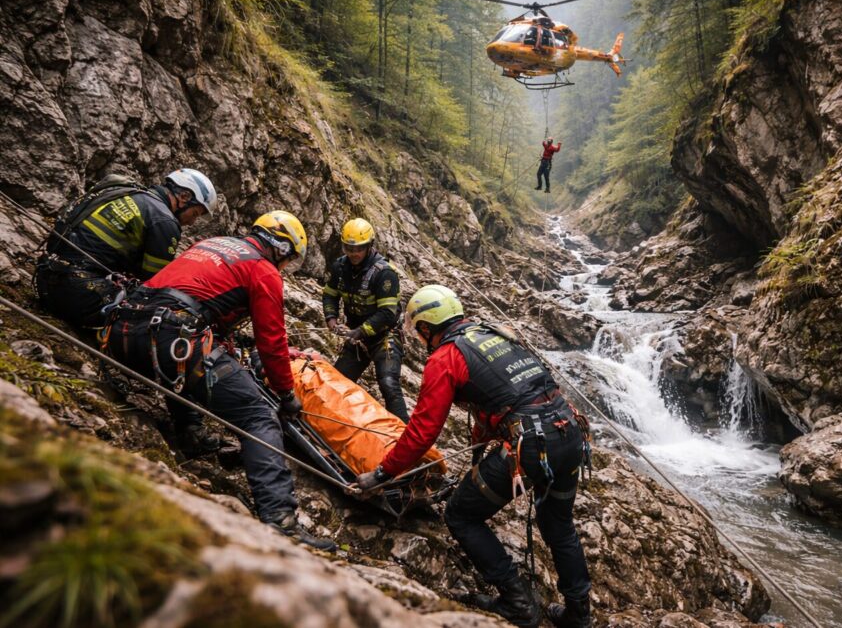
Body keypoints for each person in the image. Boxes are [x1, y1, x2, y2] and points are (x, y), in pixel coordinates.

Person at [356, 285, 591, 628]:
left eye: (419, 333)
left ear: (425, 328)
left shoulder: (446, 358)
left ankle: (517, 601)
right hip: (569, 432)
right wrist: (480, 458)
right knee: (558, 523)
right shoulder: (495, 333)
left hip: (530, 444)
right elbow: (500, 402)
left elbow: (423, 431)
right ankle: (578, 615)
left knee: (461, 514)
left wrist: (381, 474)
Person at [101, 211, 335, 551]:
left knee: (195, 362)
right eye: (288, 259)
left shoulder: (212, 245)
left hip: (124, 331)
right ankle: (281, 520)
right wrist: (286, 394)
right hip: (170, 341)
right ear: (281, 247)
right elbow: (271, 342)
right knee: (258, 415)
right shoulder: (262, 270)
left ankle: (191, 432)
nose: (285, 267)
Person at [35, 168, 217, 329]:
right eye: (194, 214)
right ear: (184, 196)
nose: (192, 222)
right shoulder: (164, 220)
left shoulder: (124, 192)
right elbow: (154, 283)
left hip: (44, 280)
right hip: (81, 299)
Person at [322, 218, 408, 422]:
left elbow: (388, 313)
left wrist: (359, 331)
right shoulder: (340, 267)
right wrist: (331, 318)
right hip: (357, 337)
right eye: (349, 247)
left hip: (384, 336)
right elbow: (330, 294)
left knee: (388, 383)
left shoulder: (385, 274)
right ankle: (329, 423)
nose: (353, 253)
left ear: (370, 246)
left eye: (359, 248)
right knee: (338, 381)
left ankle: (406, 435)